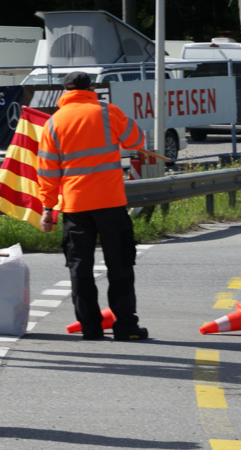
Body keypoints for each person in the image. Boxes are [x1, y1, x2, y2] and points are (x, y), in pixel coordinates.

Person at [37, 72, 149, 341]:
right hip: (110, 203)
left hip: (75, 207)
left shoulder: (54, 123)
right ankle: (125, 326)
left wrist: (47, 209)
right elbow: (136, 141)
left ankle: (90, 327)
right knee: (120, 265)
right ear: (91, 88)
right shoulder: (108, 111)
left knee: (80, 269)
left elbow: (47, 172)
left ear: (64, 90)